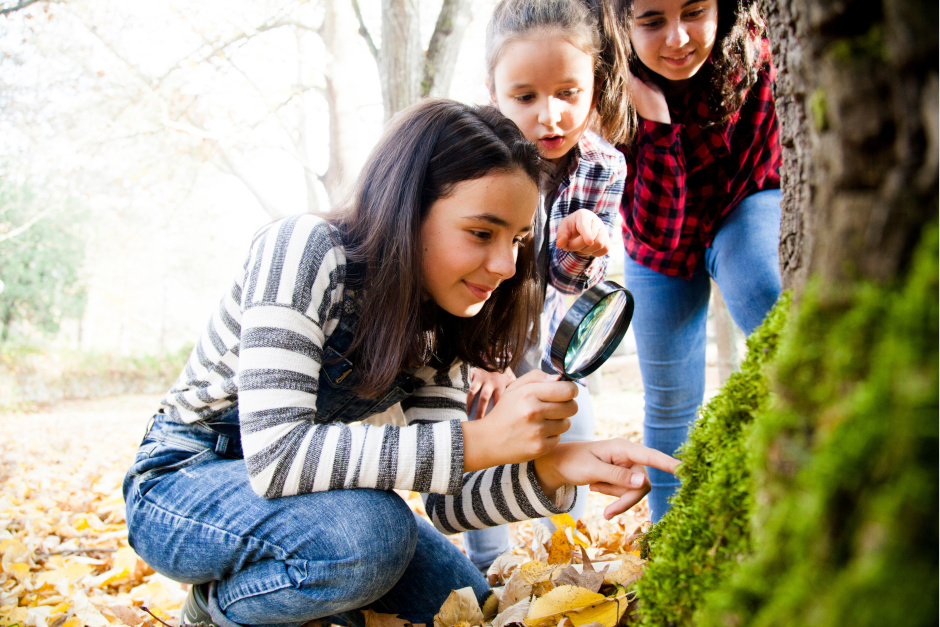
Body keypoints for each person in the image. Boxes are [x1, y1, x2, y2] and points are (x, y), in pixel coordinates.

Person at [122, 98, 678, 627]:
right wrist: (485, 438)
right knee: (371, 539)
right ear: (408, 209)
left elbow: (448, 502)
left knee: (463, 602)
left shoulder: (441, 318)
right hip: (183, 482)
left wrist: (556, 465)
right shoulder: (303, 248)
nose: (507, 265)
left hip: (311, 503)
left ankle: (310, 596)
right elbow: (278, 456)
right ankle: (216, 612)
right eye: (482, 233)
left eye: (518, 239)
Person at [460, 0, 631, 573]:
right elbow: (472, 267)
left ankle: (569, 558)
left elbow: (567, 282)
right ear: (494, 92)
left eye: (568, 93)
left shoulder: (602, 167)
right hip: (486, 322)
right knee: (485, 424)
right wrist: (488, 355)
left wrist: (580, 250)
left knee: (566, 423)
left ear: (593, 86)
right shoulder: (478, 162)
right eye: (525, 96)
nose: (549, 116)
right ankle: (490, 566)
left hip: (556, 327)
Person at [604, 0, 782, 522]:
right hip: (657, 243)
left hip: (743, 200)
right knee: (670, 402)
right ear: (622, 24)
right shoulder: (606, 85)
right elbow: (661, 229)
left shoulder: (753, 51)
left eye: (694, 12)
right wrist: (655, 121)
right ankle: (668, 541)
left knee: (762, 288)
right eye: (652, 21)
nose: (678, 39)